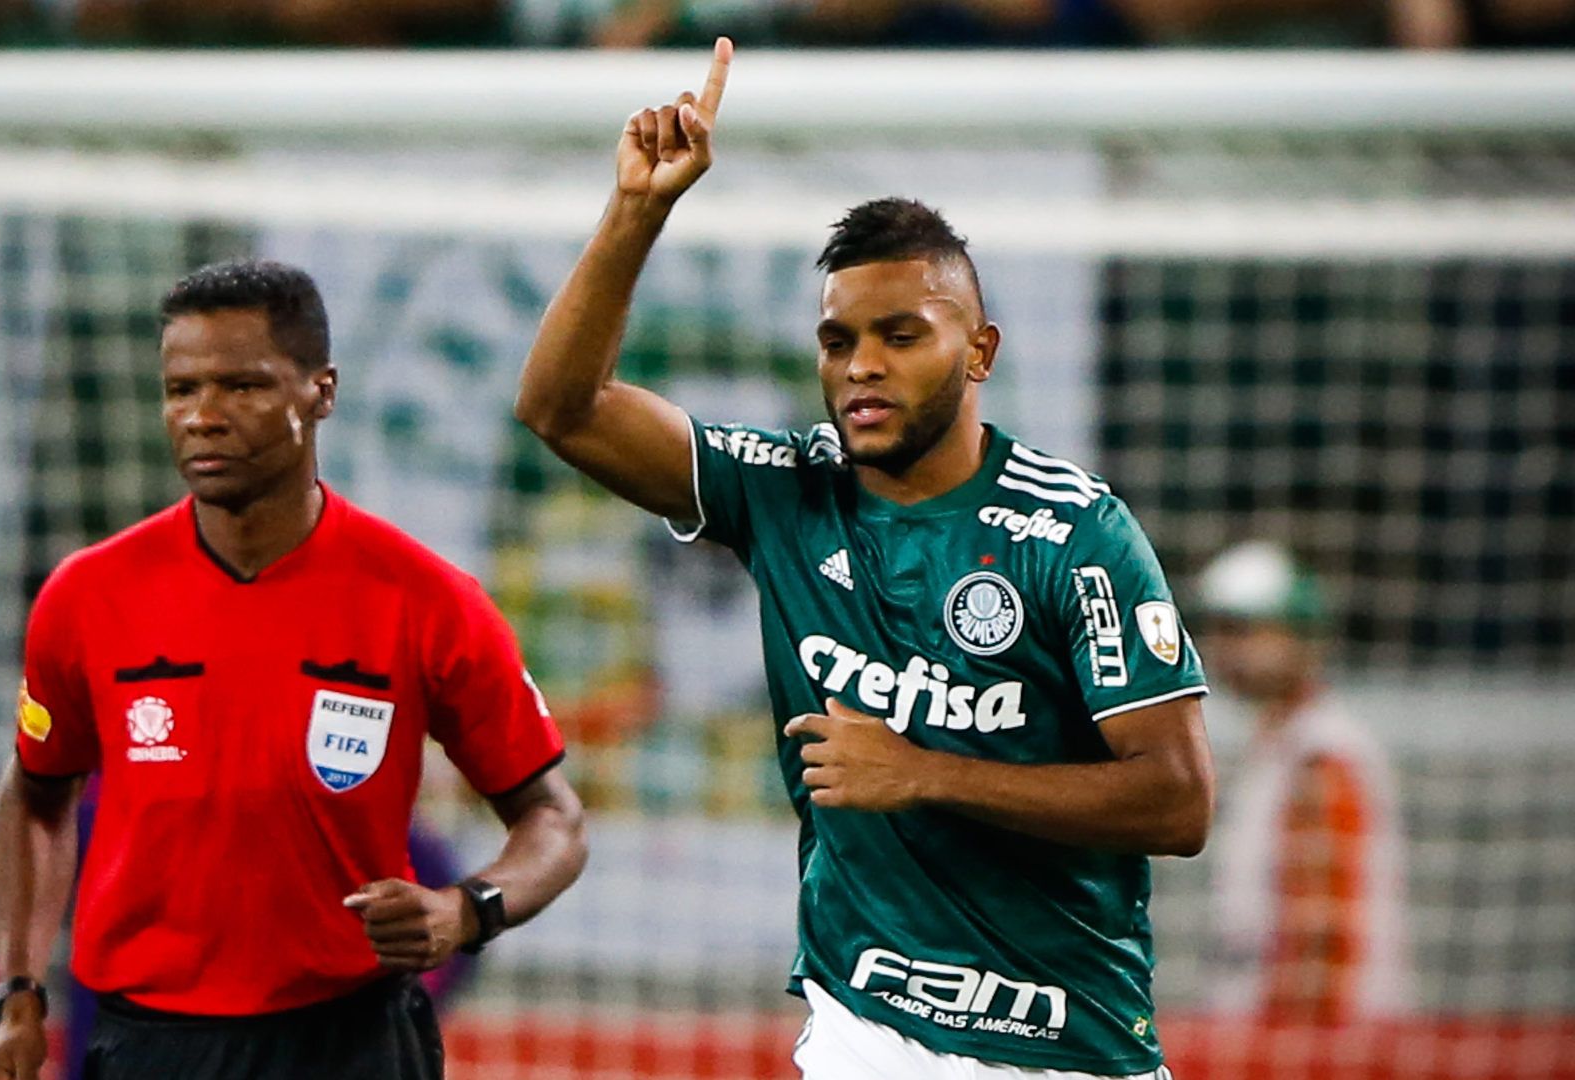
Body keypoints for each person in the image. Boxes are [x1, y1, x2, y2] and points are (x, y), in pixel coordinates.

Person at [515, 39, 1214, 1079]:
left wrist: (921, 773)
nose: (861, 365)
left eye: (901, 334)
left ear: (979, 351)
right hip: (863, 1033)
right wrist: (639, 210)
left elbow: (1177, 801)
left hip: (1066, 1044)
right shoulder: (786, 492)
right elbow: (561, 409)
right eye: (838, 340)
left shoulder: (1077, 534)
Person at [0, 258, 588, 1080]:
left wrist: (465, 910)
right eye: (181, 389)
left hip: (353, 1041)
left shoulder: (426, 600)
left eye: (243, 386)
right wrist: (19, 997)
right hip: (146, 1046)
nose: (203, 416)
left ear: (320, 392)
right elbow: (36, 796)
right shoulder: (87, 596)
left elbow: (554, 821)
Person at [1194, 540, 1408, 1022]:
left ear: (1301, 636)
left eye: (1247, 630)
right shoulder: (1284, 749)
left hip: (1317, 1045)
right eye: (1222, 629)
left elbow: (1320, 937)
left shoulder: (1319, 757)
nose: (1228, 648)